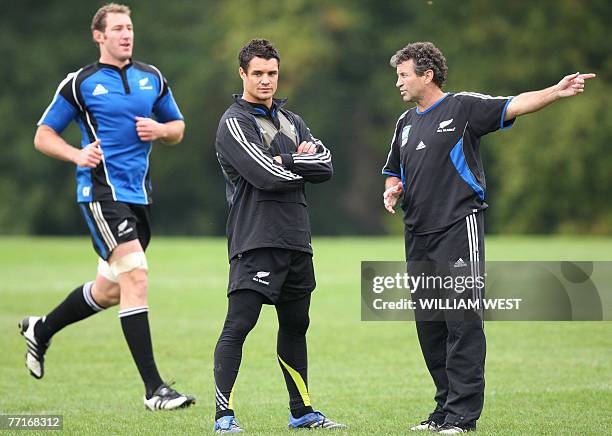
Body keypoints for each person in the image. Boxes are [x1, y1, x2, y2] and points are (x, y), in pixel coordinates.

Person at [381, 42, 595, 434]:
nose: (398, 82)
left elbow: (514, 104)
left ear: (427, 75)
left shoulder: (462, 108)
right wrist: (393, 188)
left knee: (462, 321)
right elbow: (395, 172)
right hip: (417, 235)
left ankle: (462, 417)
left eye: (403, 74)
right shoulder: (404, 123)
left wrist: (555, 91)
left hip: (458, 228)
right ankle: (444, 411)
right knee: (431, 325)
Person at [20, 3, 195, 411]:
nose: (126, 34)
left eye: (129, 27)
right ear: (98, 36)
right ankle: (155, 389)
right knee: (137, 275)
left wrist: (161, 129)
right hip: (100, 194)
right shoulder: (80, 83)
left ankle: (41, 329)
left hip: (140, 197)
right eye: (117, 28)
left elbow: (179, 128)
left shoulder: (152, 78)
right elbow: (43, 135)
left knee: (111, 291)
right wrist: (76, 155)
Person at [212, 39, 346, 433]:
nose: (266, 80)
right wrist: (296, 164)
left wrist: (286, 159)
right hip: (255, 238)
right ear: (243, 74)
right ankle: (224, 417)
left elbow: (326, 166)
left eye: (272, 73)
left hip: (296, 239)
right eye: (258, 73)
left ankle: (302, 412)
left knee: (295, 326)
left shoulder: (294, 121)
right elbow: (265, 177)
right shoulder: (234, 122)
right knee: (239, 325)